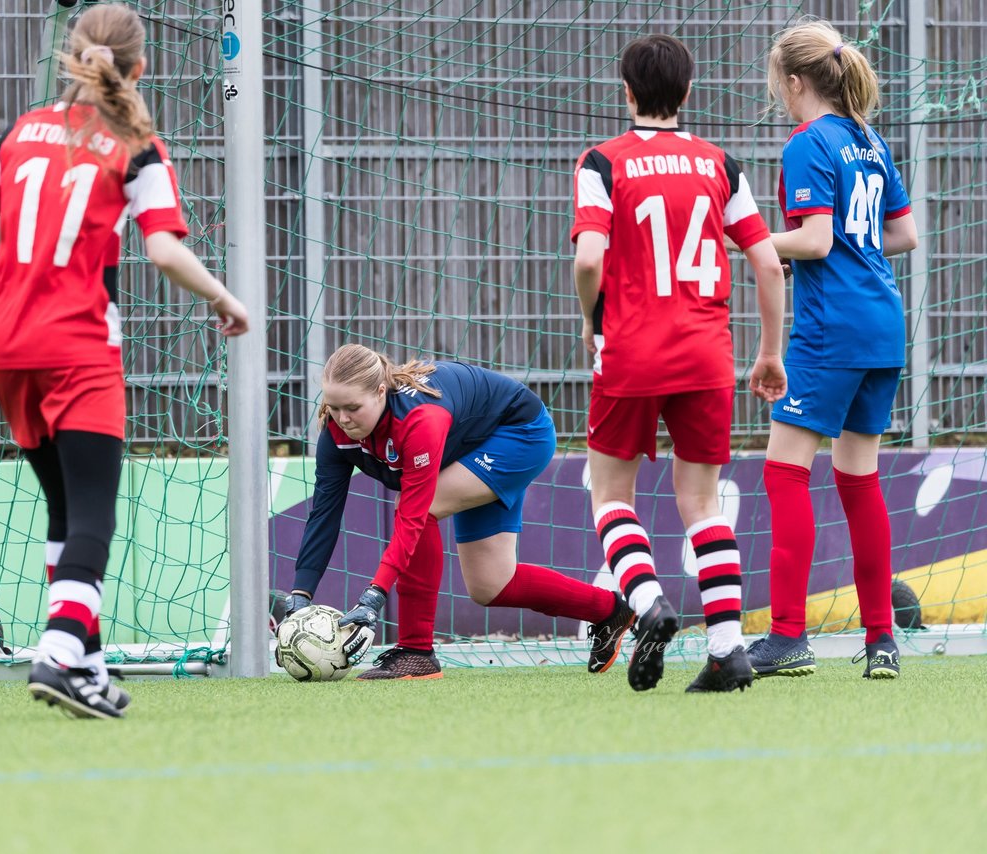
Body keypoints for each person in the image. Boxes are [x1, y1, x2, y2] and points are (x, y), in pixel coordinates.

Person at [0, 3, 249, 718]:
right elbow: (165, 249)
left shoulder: (22, 132)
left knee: (64, 509)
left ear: (69, 60)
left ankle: (88, 669)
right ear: (141, 68)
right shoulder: (136, 142)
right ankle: (56, 652)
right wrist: (225, 300)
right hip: (78, 349)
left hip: (7, 344)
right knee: (95, 522)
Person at [571, 34, 788, 692]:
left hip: (631, 350)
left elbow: (588, 259)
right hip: (706, 353)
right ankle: (728, 649)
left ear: (627, 92)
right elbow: (769, 262)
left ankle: (646, 603)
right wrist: (770, 352)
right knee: (701, 503)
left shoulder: (601, 161)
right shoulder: (720, 163)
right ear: (688, 94)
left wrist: (593, 319)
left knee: (610, 495)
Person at [284, 343, 637, 680]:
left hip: (518, 435)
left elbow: (413, 514)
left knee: (421, 507)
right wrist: (301, 593)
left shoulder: (420, 420)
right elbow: (325, 513)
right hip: (469, 444)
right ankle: (609, 611)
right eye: (334, 407)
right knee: (491, 585)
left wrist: (374, 596)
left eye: (352, 408)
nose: (342, 418)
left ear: (380, 392)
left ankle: (416, 653)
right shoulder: (336, 432)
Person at [744, 21, 918, 680]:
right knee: (858, 479)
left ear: (795, 82)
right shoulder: (869, 141)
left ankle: (787, 636)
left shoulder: (808, 141)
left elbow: (814, 241)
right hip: (882, 326)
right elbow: (904, 234)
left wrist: (751, 239)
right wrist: (858, 243)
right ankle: (881, 640)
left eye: (777, 83)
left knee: (785, 471)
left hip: (832, 329)